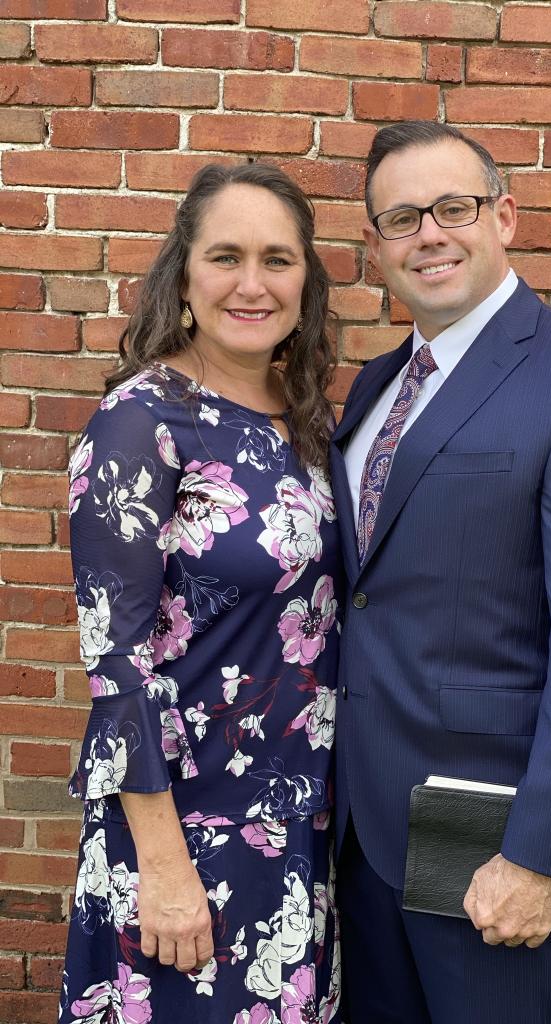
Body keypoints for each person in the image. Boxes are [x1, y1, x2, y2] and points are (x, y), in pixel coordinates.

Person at [330, 121, 551, 1024]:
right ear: (375, 247)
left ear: (504, 216)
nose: (428, 234)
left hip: (498, 843)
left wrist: (540, 855)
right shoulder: (373, 388)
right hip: (364, 838)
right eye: (401, 218)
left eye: (453, 207)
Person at [60, 163, 341, 1024]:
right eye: (226, 256)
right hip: (187, 835)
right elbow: (118, 665)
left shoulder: (306, 419)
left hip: (297, 829)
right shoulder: (141, 423)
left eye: (277, 259)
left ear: (307, 280)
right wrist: (164, 864)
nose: (252, 283)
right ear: (183, 276)